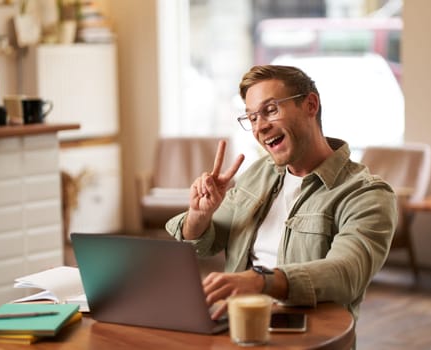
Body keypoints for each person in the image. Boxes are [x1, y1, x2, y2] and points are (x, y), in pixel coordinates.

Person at [166, 64, 397, 321]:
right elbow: (205, 244)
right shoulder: (257, 174)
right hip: (237, 322)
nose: (260, 127)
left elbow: (346, 274)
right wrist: (200, 214)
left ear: (311, 105)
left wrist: (260, 280)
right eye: (252, 117)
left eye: (270, 110)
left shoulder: (366, 194)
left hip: (309, 333)